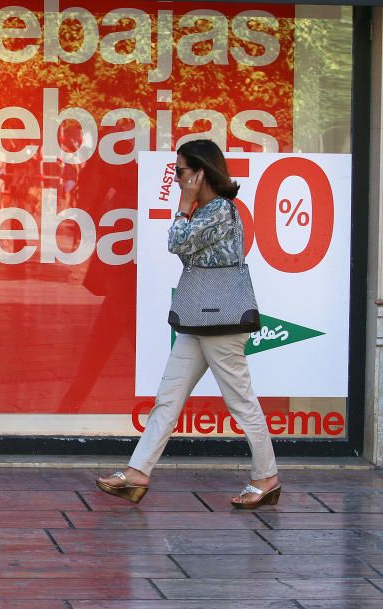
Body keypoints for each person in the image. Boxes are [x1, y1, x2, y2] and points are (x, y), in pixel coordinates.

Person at [96, 139, 280, 509]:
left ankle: (267, 477)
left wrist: (183, 205)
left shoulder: (219, 210)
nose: (176, 178)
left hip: (221, 323)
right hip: (199, 319)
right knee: (169, 396)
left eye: (180, 171)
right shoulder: (208, 209)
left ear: (200, 172)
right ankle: (137, 472)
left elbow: (176, 243)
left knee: (240, 401)